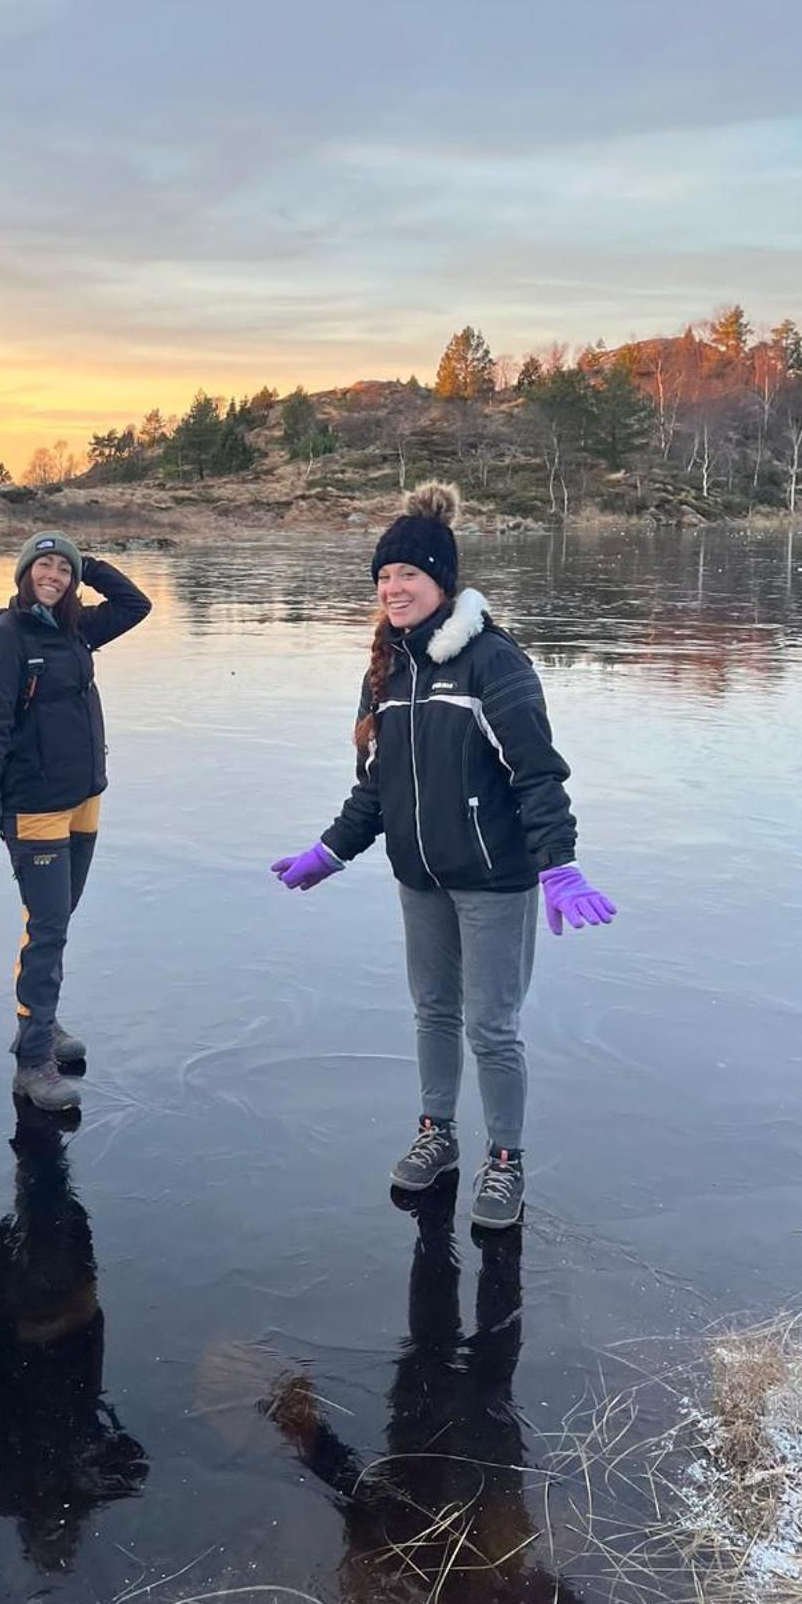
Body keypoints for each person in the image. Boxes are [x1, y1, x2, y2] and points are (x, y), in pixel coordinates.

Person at [270, 483, 615, 1228]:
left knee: (491, 1026)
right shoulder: (385, 673)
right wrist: (330, 852)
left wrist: (558, 862)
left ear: (442, 584)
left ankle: (505, 1160)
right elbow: (376, 788)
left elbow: (536, 772)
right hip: (420, 878)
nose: (393, 589)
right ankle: (438, 1134)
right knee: (431, 1012)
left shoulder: (493, 663)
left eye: (408, 577)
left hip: (494, 879)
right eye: (384, 578)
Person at [260, 1180, 583, 1604]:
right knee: (482, 1348)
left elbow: (357, 1494)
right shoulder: (495, 1569)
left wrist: (307, 1433)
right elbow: (359, 1497)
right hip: (482, 1433)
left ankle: (439, 1222)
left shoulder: (408, 1568)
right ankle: (457, 1217)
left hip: (429, 1423)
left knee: (438, 1345)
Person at [0, 531, 151, 1112]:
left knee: (57, 918)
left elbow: (137, 606)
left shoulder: (75, 628)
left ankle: (41, 1020)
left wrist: (92, 562)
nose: (54, 575)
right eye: (45, 566)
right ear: (24, 573)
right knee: (49, 925)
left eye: (64, 568)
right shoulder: (3, 638)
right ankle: (33, 1062)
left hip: (85, 799)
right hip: (33, 805)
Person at [0, 1108, 149, 1570]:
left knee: (55, 1226)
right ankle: (37, 1128)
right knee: (58, 1226)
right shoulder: (71, 1488)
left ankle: (37, 1126)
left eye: (51, 1538)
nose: (61, 1529)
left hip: (43, 1339)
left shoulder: (8, 1487)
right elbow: (134, 1465)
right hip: (52, 1336)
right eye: (67, 1539)